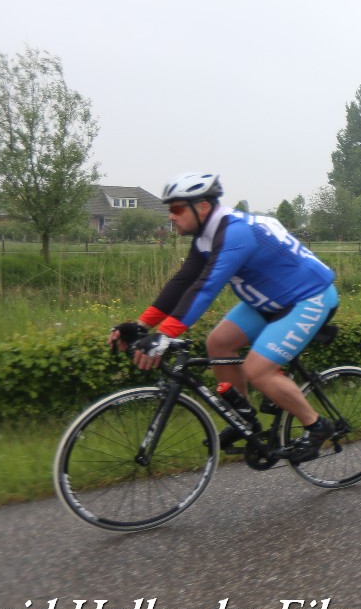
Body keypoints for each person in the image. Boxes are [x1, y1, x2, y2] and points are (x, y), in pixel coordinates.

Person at [108, 172, 340, 461]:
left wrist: (165, 334)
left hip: (309, 297)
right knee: (218, 343)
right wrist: (141, 326)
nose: (171, 216)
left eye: (177, 208)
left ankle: (316, 426)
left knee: (258, 370)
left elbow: (206, 289)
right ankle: (244, 420)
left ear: (203, 207)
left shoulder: (236, 233)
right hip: (268, 300)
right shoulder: (206, 237)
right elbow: (183, 283)